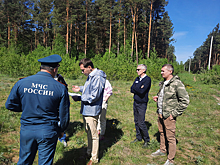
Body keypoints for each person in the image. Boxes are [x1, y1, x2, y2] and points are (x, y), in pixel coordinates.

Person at [5, 54, 70, 165]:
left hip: (27, 129)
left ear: (41, 68)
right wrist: (61, 130)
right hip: (48, 130)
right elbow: (64, 115)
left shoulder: (22, 82)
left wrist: (26, 108)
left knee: (24, 161)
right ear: (55, 69)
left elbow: (9, 104)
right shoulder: (60, 87)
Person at [151, 64, 189, 165]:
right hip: (160, 113)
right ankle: (162, 150)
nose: (161, 72)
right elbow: (165, 96)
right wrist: (158, 97)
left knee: (170, 137)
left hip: (169, 115)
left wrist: (174, 114)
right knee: (162, 133)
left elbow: (185, 101)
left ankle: (170, 160)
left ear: (170, 71)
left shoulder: (177, 83)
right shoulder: (164, 83)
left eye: (163, 71)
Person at [72, 58, 106, 165]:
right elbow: (89, 88)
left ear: (89, 67)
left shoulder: (98, 77)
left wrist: (80, 98)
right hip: (86, 110)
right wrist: (80, 89)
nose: (82, 72)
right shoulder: (91, 76)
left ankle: (94, 158)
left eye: (83, 70)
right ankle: (89, 152)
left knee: (94, 135)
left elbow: (95, 95)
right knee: (89, 132)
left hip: (92, 110)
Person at [130, 64, 151, 148]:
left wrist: (137, 88)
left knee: (141, 122)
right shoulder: (137, 78)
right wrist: (138, 87)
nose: (137, 71)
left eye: (138, 69)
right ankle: (138, 137)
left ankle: (146, 140)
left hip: (142, 103)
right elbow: (132, 89)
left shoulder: (147, 79)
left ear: (143, 70)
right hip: (136, 102)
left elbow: (142, 92)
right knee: (136, 120)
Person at [54, 73, 68, 147]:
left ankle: (62, 138)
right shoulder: (44, 77)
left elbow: (65, 87)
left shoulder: (59, 77)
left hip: (58, 102)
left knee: (60, 120)